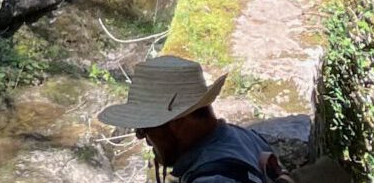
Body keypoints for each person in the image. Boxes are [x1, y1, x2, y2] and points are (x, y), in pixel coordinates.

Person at [99, 55, 289, 183]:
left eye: (144, 128)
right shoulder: (243, 137)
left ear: (178, 122)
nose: (142, 138)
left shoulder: (213, 178)